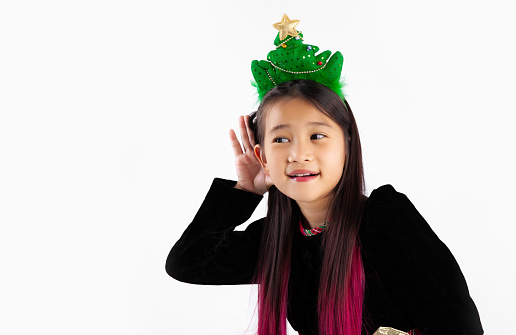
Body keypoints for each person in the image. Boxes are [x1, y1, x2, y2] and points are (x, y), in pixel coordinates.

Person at [165, 15, 483, 335]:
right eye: (281, 139)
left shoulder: (384, 219)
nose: (298, 154)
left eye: (317, 136)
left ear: (346, 146)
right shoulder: (277, 239)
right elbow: (187, 263)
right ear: (263, 156)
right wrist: (246, 190)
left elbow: (460, 327)